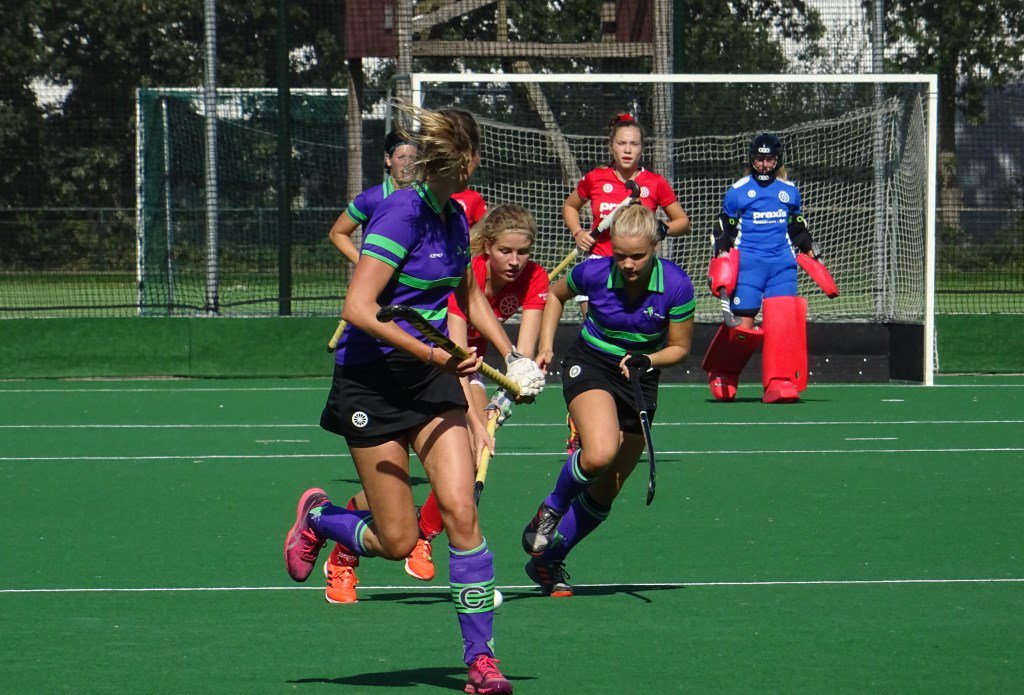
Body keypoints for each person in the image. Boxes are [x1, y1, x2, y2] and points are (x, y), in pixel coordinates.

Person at [284, 103, 544, 694]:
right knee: (397, 539)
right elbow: (358, 308)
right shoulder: (399, 215)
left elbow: (470, 296)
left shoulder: (454, 218)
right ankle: (322, 519)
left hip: (429, 379)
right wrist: (436, 355)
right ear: (466, 157)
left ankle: (482, 661)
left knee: (461, 511)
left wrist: (513, 357)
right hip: (371, 381)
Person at [322, 203, 551, 604]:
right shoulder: (466, 271)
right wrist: (478, 421)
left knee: (460, 472)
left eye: (523, 252)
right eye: (506, 252)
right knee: (467, 446)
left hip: (472, 366)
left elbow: (520, 354)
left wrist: (514, 384)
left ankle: (423, 539)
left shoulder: (535, 279)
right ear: (487, 249)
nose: (515, 262)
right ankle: (361, 540)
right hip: (448, 360)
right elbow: (455, 347)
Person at [521, 204, 694, 597]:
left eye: (638, 256)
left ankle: (547, 560)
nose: (628, 264)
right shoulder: (595, 272)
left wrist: (648, 359)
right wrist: (546, 346)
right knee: (599, 452)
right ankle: (551, 508)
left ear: (655, 247)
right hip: (592, 363)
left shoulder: (678, 285)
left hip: (639, 375)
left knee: (606, 491)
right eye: (620, 255)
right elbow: (554, 294)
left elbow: (680, 348)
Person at [702, 132, 832, 404]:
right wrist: (720, 257)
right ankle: (725, 372)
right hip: (749, 265)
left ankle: (780, 380)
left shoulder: (789, 191)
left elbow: (797, 227)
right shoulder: (738, 191)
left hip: (782, 266)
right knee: (742, 326)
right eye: (759, 159)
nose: (763, 165)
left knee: (781, 325)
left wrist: (812, 251)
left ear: (777, 160)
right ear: (752, 159)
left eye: (769, 159)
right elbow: (724, 228)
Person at [562, 112, 691, 316]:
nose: (628, 150)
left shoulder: (655, 183)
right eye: (621, 143)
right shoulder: (595, 178)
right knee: (594, 332)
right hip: (600, 264)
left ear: (642, 148)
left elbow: (683, 223)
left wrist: (662, 228)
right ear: (611, 146)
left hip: (638, 271)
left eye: (634, 144)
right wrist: (578, 232)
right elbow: (570, 206)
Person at [328, 130, 418, 265]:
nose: (407, 163)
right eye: (401, 157)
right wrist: (364, 265)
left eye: (412, 158)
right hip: (381, 284)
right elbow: (337, 233)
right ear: (388, 159)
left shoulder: (426, 198)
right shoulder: (371, 199)